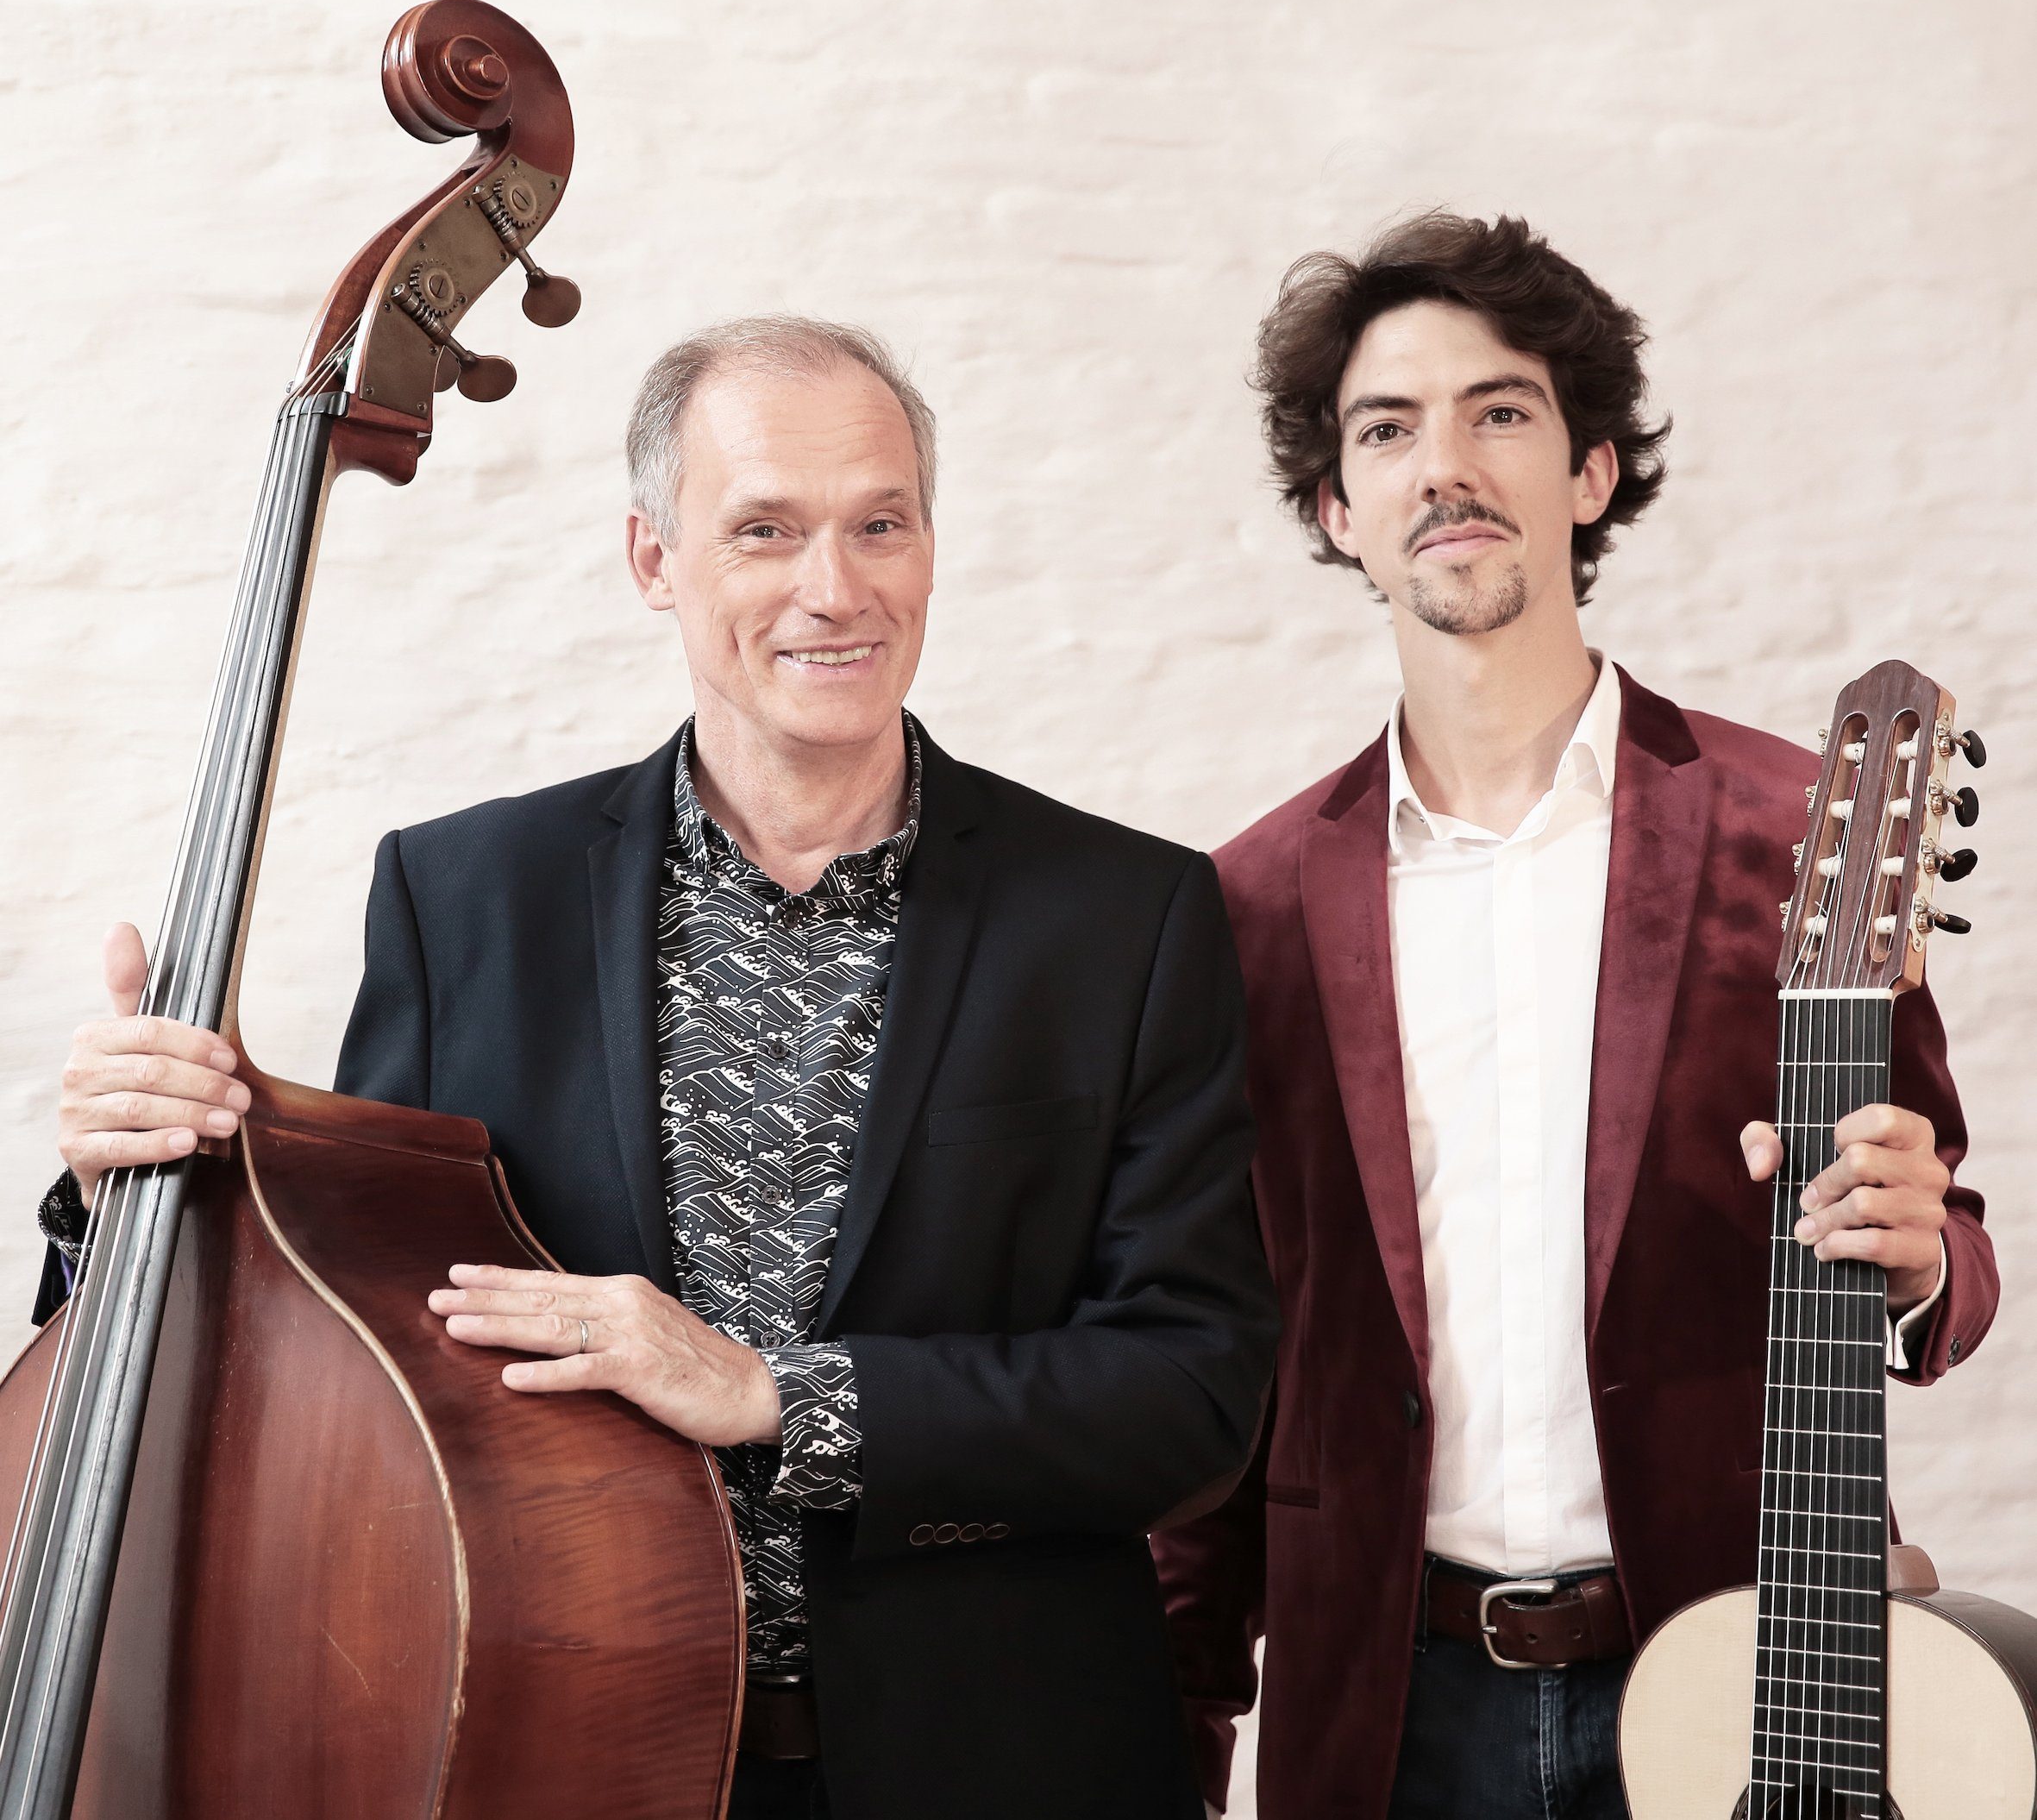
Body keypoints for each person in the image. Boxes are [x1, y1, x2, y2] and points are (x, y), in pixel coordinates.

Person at [47, 317, 1278, 1820]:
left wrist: (777, 1394)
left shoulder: (1127, 914)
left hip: (1005, 1765)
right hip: (556, 1759)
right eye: (763, 529)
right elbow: (352, 1349)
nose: (836, 587)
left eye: (879, 523)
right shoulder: (462, 898)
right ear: (654, 559)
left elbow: (1194, 1394)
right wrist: (133, 1186)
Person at [1151, 214, 1997, 1820]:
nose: (1443, 465)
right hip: (1387, 1711)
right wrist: (1178, 1732)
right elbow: (1216, 1359)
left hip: (1736, 1675)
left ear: (1589, 469)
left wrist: (1920, 1261)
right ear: (1337, 510)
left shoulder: (1798, 833)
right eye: (1385, 430)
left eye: (1499, 411)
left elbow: (1941, 1225)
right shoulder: (1244, 907)